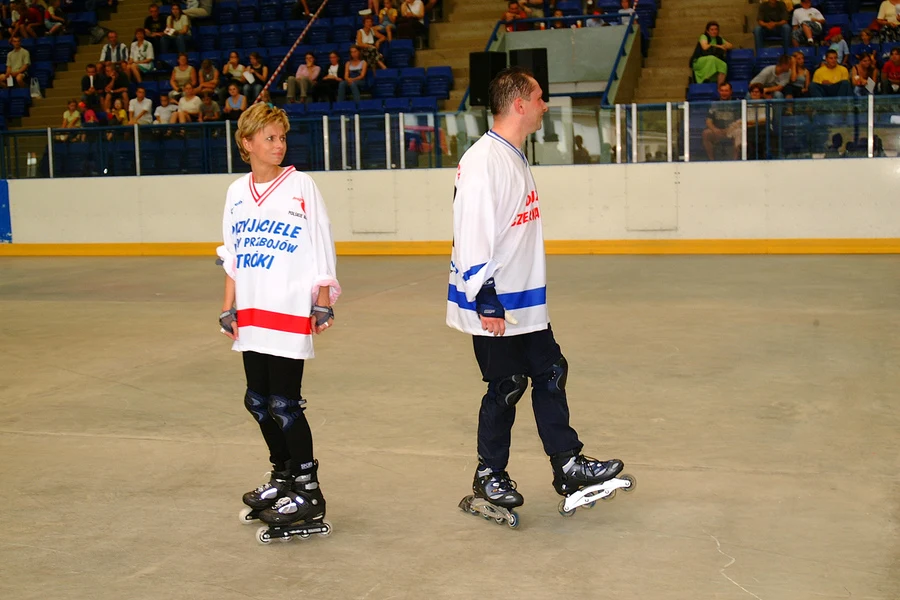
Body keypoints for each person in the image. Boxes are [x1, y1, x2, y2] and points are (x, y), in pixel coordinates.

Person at [447, 67, 627, 527]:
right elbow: (471, 231)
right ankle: (489, 474)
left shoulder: (512, 156)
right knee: (506, 386)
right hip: (495, 304)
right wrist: (484, 295)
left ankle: (567, 465)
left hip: (523, 301)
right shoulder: (484, 161)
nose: (546, 105)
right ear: (519, 104)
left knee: (551, 371)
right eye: (540, 97)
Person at [217, 102, 340, 540]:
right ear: (246, 143)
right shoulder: (235, 192)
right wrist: (229, 305)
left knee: (285, 404)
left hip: (288, 308)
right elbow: (232, 253)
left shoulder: (301, 185)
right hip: (250, 311)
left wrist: (323, 298)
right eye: (268, 138)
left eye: (281, 137)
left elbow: (321, 241)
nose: (278, 145)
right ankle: (283, 476)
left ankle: (308, 490)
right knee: (258, 401)